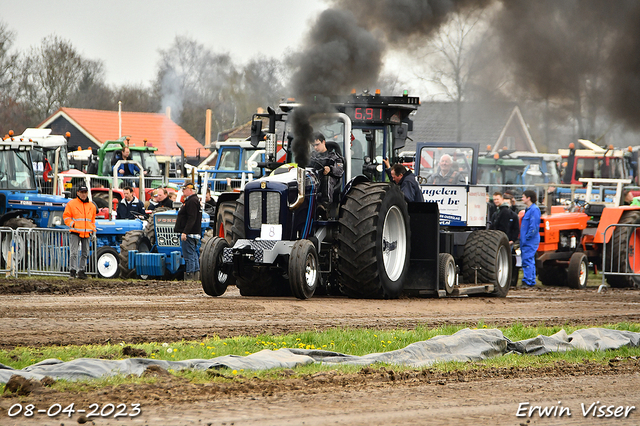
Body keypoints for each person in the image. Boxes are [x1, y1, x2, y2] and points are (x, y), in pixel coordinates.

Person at [63, 185, 96, 279]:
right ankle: (72, 272)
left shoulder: (92, 206)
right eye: (82, 192)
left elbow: (92, 221)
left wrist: (93, 231)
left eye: (85, 192)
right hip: (75, 232)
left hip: (87, 233)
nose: (83, 194)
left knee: (85, 253)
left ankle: (81, 271)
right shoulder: (71, 204)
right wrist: (73, 224)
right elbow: (66, 217)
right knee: (73, 253)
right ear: (78, 193)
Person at [310, 132, 344, 215]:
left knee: (327, 178)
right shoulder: (311, 157)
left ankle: (325, 206)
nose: (315, 147)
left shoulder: (334, 157)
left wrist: (330, 170)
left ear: (323, 142)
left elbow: (340, 171)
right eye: (313, 145)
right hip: (313, 180)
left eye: (317, 144)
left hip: (328, 181)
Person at [174, 182, 202, 281]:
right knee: (193, 254)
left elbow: (191, 218)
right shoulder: (194, 200)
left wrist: (185, 232)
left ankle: (190, 276)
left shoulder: (191, 201)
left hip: (190, 234)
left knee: (189, 256)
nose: (183, 191)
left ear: (190, 190)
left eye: (184, 189)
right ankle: (195, 276)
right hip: (193, 233)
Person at [520, 189, 541, 288]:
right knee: (528, 259)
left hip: (530, 240)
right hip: (526, 240)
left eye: (523, 196)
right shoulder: (529, 209)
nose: (522, 198)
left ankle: (528, 281)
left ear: (528, 198)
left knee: (527, 260)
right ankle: (530, 280)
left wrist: (527, 237)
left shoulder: (534, 210)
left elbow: (534, 226)